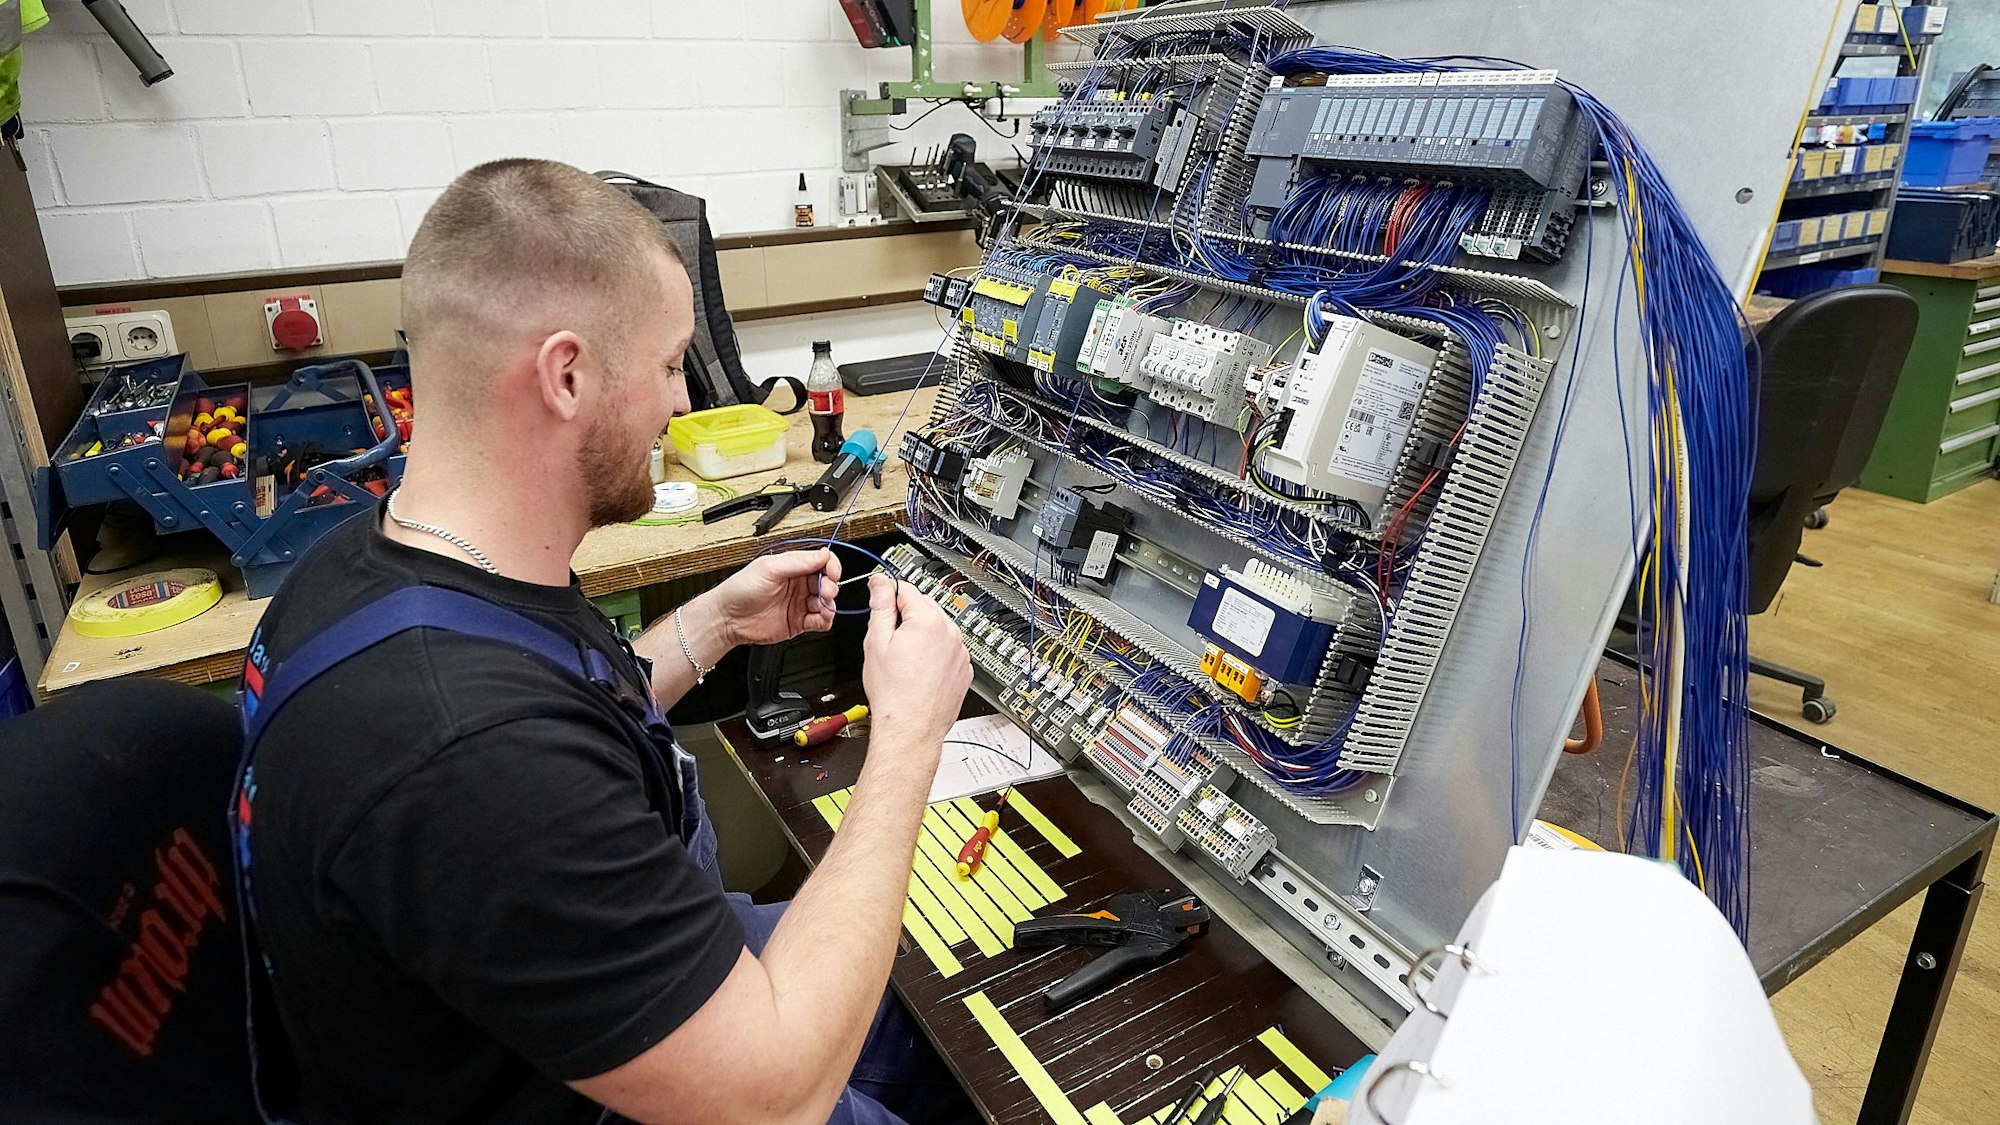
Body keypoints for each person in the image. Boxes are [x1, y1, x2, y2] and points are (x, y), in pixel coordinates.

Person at [240, 159, 974, 1125]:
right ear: (567, 375)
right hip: (694, 1090)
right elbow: (777, 1098)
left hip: (599, 999)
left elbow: (563, 707)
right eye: (671, 365)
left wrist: (716, 621)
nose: (683, 405)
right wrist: (910, 735)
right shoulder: (469, 753)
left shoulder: (369, 565)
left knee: (941, 1011)